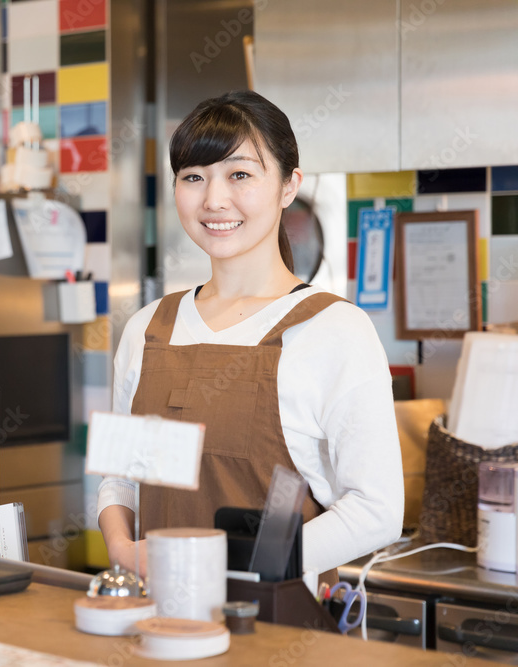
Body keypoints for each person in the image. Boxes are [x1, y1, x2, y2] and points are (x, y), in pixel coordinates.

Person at [98, 90, 404, 579]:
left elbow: (376, 510)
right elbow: (121, 479)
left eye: (239, 174)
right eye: (193, 177)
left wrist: (225, 566)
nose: (214, 199)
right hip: (157, 623)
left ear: (288, 186)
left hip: (277, 634)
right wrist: (121, 549)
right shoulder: (145, 329)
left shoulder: (334, 330)